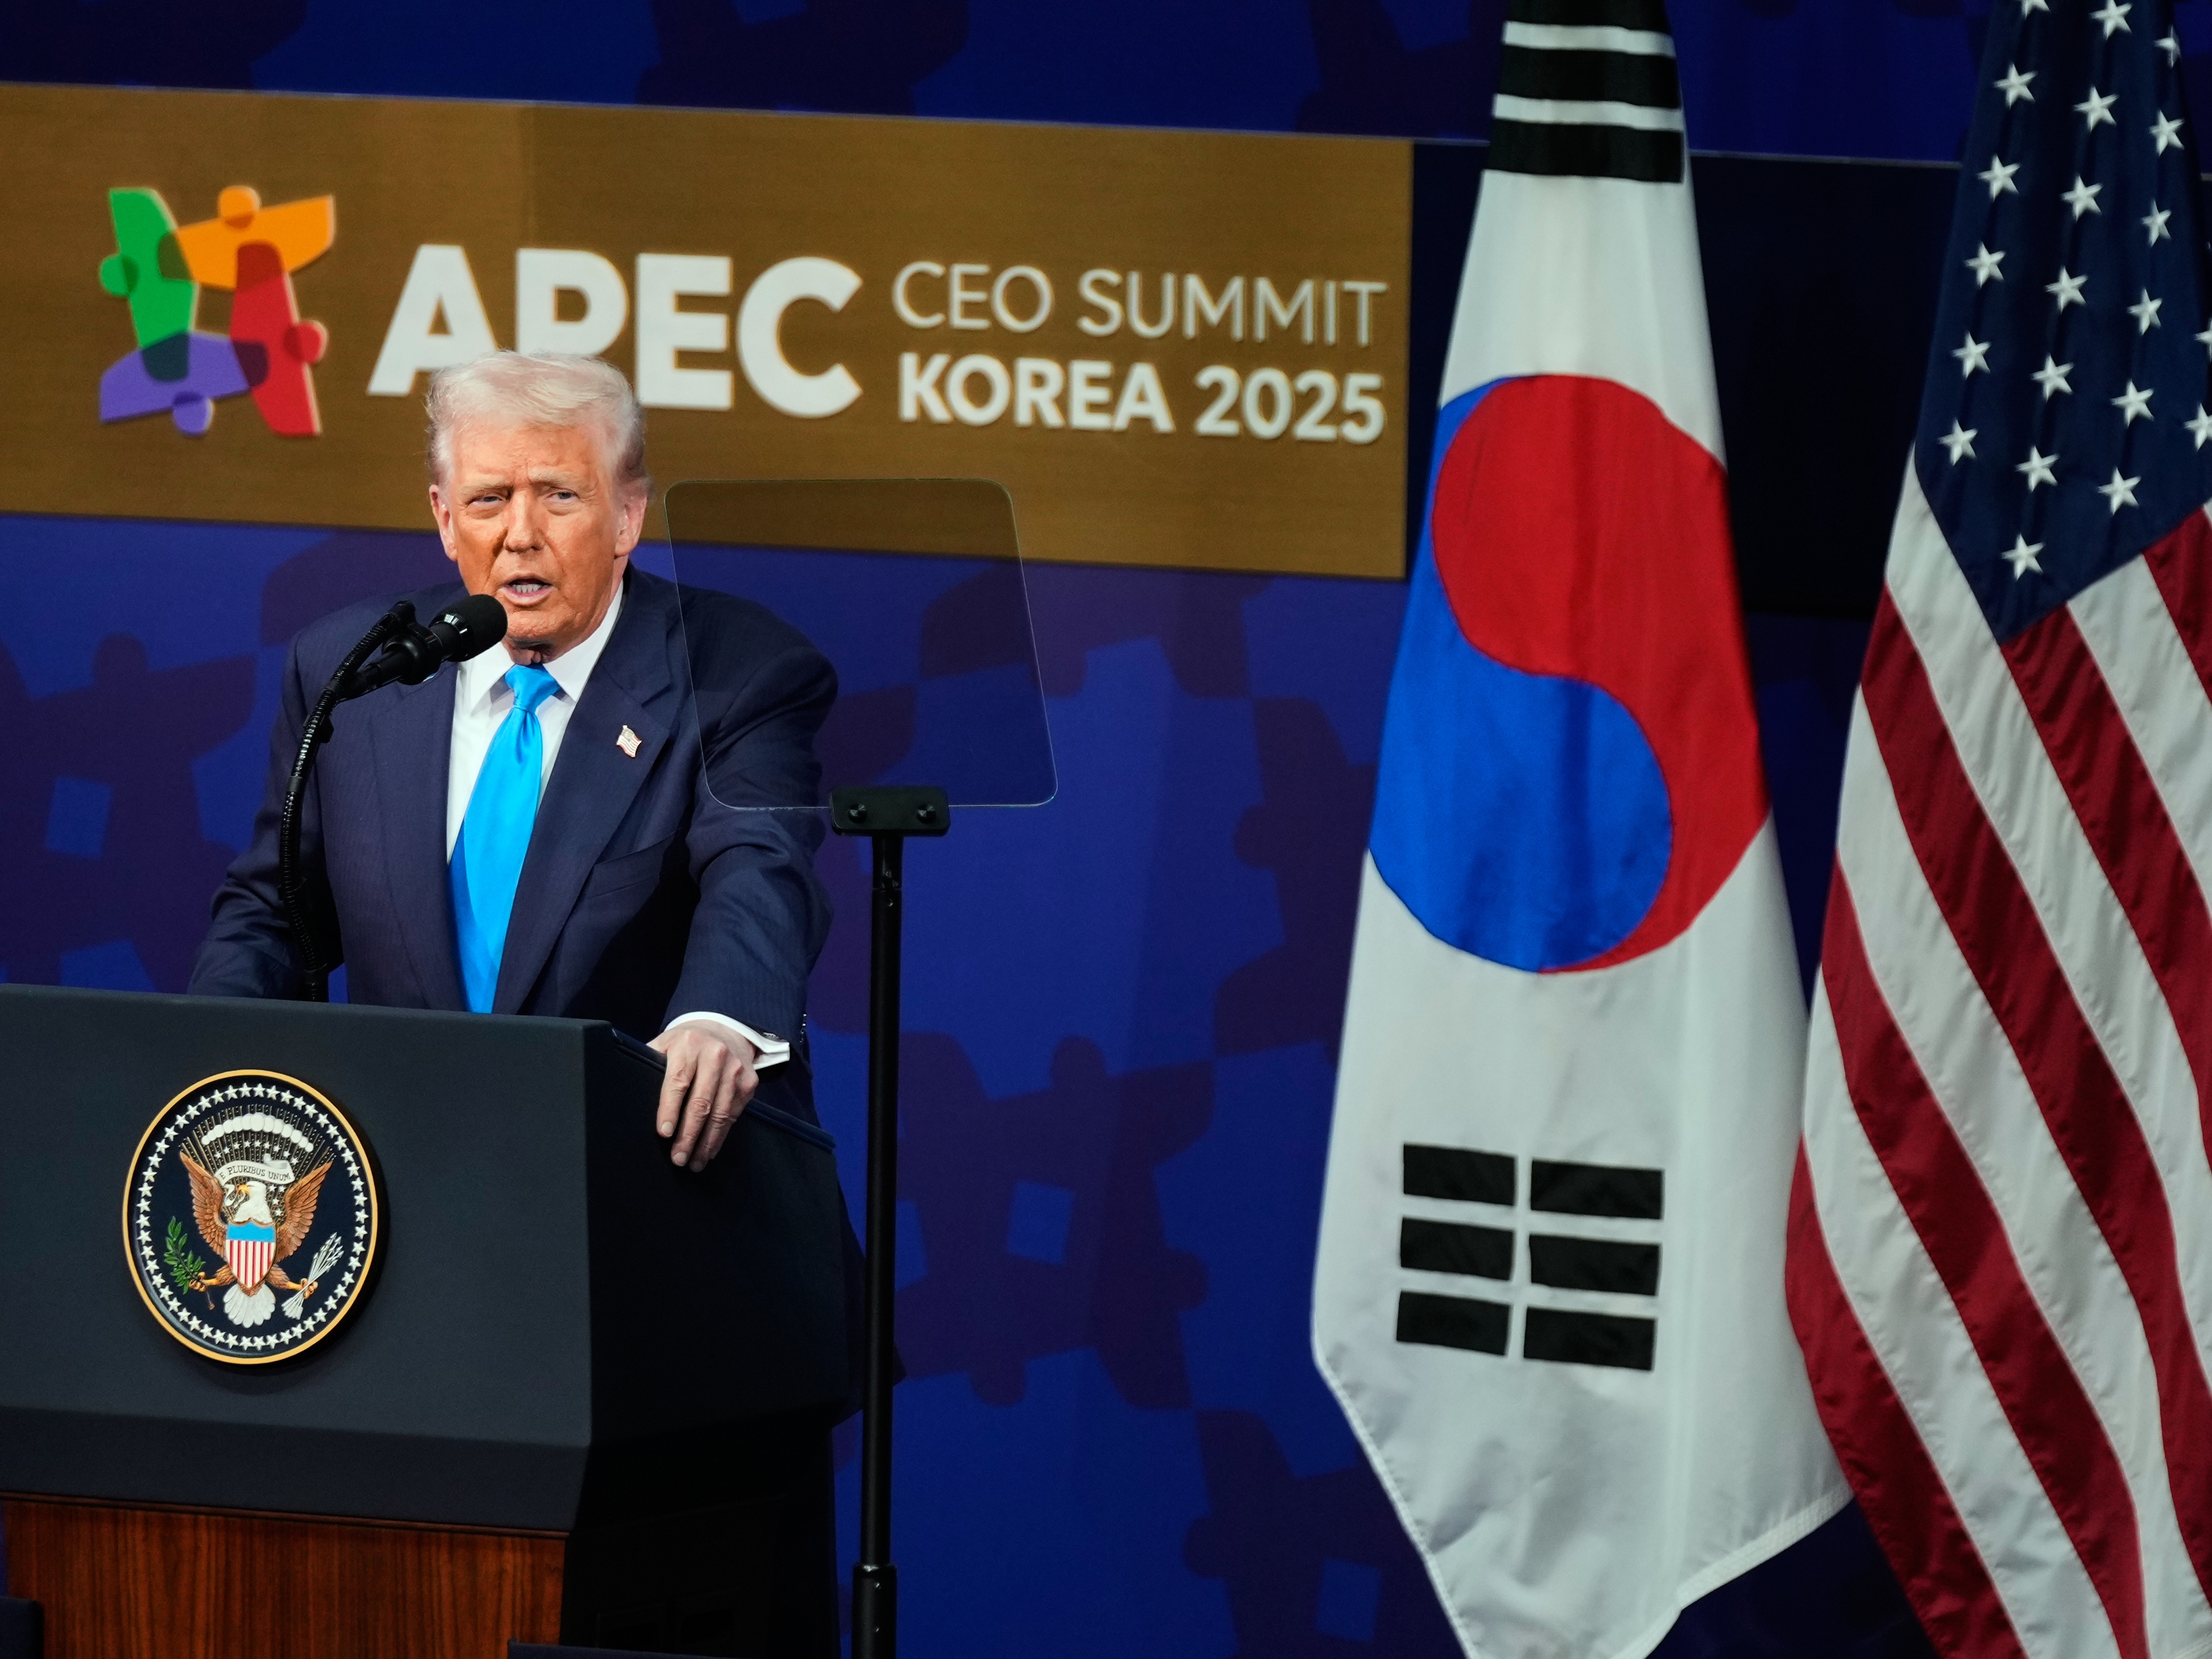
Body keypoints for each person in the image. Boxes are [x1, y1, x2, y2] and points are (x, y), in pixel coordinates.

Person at [189, 351, 833, 1170]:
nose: (520, 534)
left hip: (645, 1168)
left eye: (560, 495)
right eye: (489, 498)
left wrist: (720, 1017)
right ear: (446, 518)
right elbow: (277, 911)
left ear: (629, 515)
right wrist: (200, 1061)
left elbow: (761, 871)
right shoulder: (350, 670)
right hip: (409, 1173)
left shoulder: (740, 672)